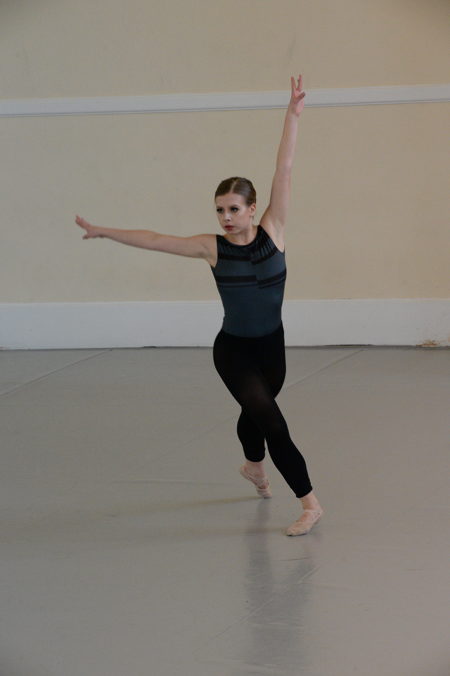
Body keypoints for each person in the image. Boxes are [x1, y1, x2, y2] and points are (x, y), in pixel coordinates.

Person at [75, 75, 323, 536]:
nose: (225, 217)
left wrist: (292, 115)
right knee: (272, 420)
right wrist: (105, 231)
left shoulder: (274, 231)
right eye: (219, 210)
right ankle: (309, 504)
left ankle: (252, 467)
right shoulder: (212, 248)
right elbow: (155, 239)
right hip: (233, 350)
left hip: (272, 348)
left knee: (255, 414)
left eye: (233, 209)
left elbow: (285, 169)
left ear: (252, 208)